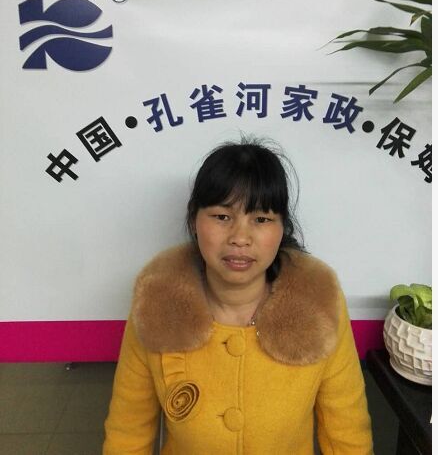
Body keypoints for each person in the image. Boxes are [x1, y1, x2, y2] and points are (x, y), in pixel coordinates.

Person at [103, 137, 374, 454]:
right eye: (222, 216)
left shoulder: (318, 304)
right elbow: (127, 432)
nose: (240, 238)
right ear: (194, 220)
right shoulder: (157, 301)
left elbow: (347, 433)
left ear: (282, 228)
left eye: (261, 219)